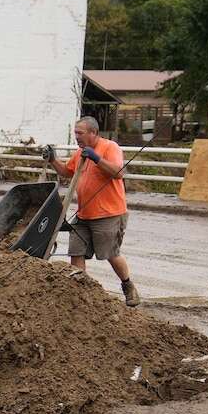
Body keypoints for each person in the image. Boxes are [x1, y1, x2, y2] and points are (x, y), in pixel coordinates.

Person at [45, 116, 141, 307]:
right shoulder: (81, 152)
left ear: (93, 133)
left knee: (110, 254)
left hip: (108, 214)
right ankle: (79, 294)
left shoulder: (109, 147)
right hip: (83, 214)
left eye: (80, 133)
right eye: (75, 133)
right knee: (76, 252)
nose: (76, 137)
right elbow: (66, 172)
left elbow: (118, 172)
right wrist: (53, 159)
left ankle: (128, 286)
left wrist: (96, 158)